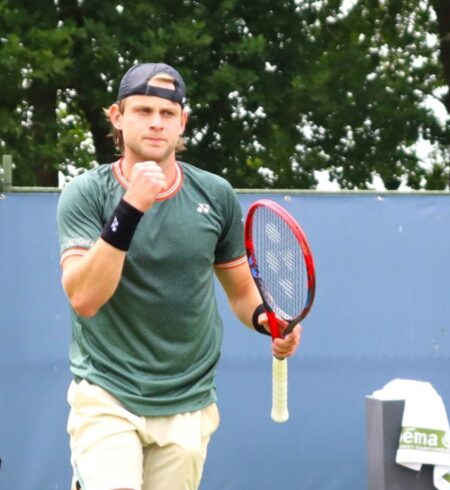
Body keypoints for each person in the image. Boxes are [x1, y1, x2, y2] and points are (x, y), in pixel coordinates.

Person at [55, 62, 303, 490]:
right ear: (117, 116)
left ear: (182, 121)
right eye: (143, 111)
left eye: (167, 114)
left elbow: (242, 290)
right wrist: (130, 208)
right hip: (107, 390)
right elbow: (84, 298)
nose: (156, 123)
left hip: (187, 398)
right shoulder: (87, 193)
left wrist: (267, 320)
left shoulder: (216, 195)